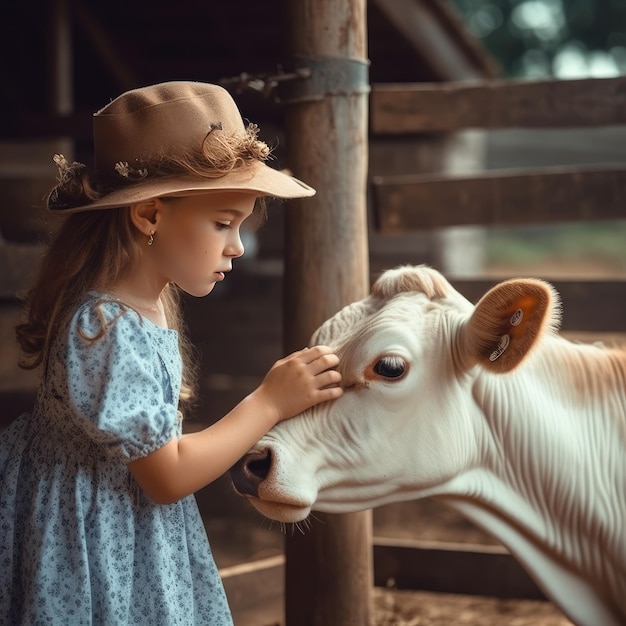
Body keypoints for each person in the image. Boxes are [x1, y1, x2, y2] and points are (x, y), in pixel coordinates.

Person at [0, 81, 343, 625]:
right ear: (151, 217)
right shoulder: (105, 326)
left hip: (120, 522)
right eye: (223, 223)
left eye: (241, 225)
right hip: (91, 534)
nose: (238, 246)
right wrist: (268, 403)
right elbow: (167, 477)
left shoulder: (149, 300)